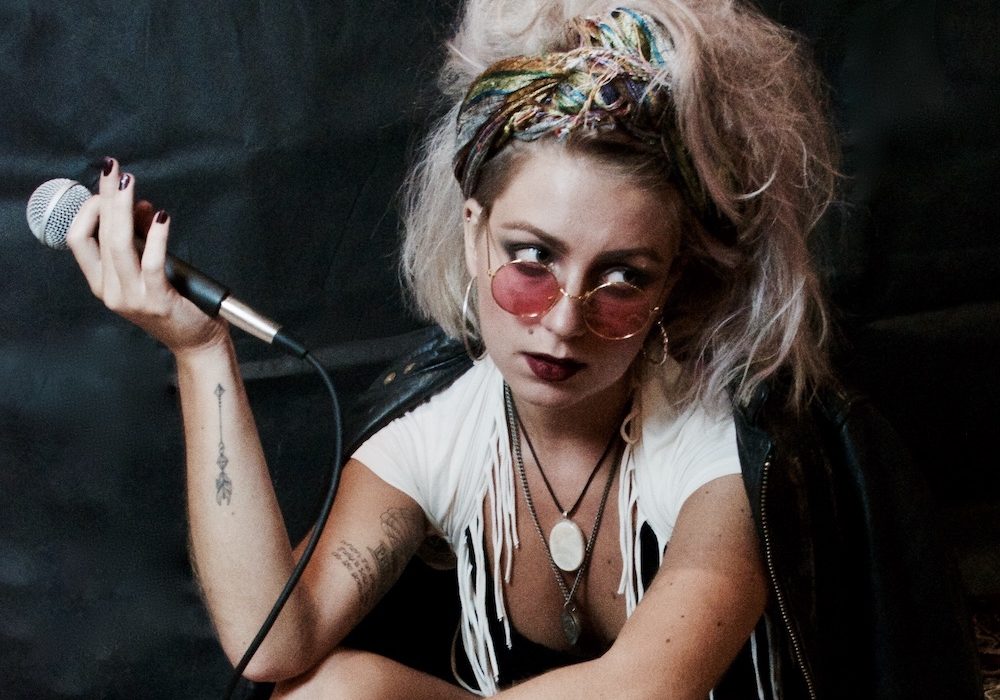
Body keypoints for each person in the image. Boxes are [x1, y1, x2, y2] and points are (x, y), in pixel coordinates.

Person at [66, 1, 982, 698]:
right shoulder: (442, 432)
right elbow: (273, 639)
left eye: (622, 276)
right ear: (474, 235)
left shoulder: (723, 448)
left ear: (675, 282)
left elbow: (643, 690)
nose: (563, 320)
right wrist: (202, 352)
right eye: (532, 259)